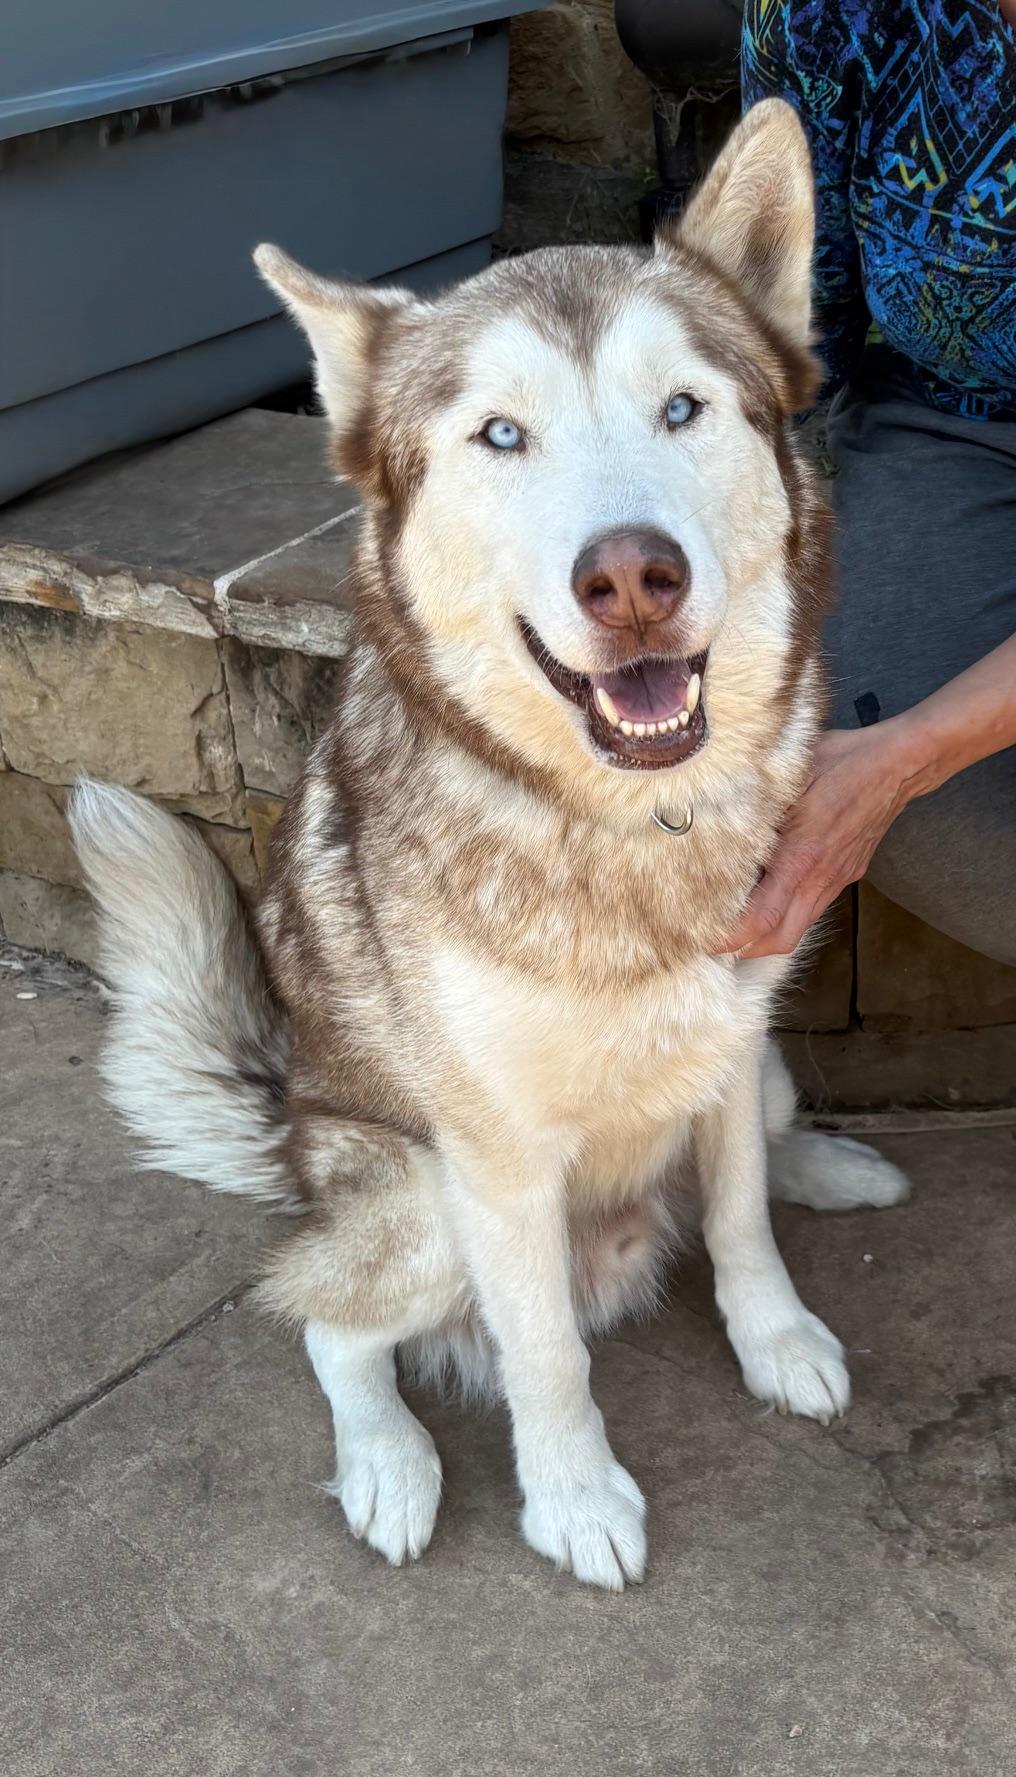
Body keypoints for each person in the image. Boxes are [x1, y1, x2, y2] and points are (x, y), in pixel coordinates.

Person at [721, 0, 1016, 965]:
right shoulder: (827, 14)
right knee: (858, 706)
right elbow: (795, 339)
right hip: (960, 419)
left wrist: (913, 755)